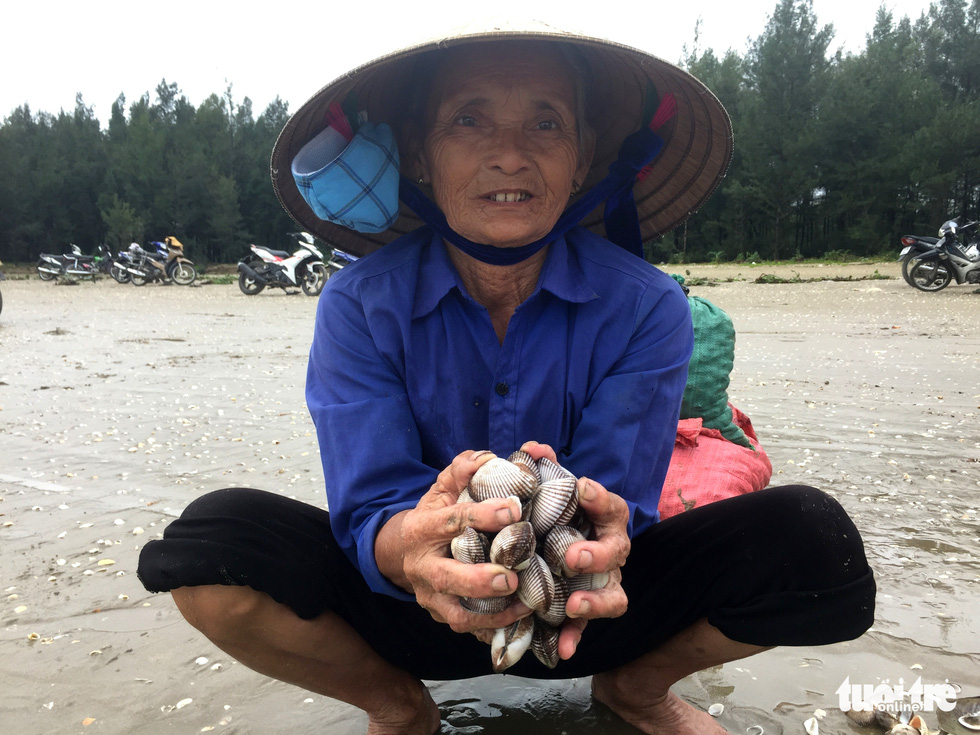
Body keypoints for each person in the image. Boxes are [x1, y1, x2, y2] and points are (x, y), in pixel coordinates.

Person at [138, 23, 876, 735]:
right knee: (206, 546)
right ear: (421, 156)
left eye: (547, 125)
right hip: (417, 606)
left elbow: (619, 505)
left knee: (816, 545)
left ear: (584, 157)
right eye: (469, 120)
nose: (511, 156)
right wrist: (420, 546)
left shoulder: (649, 304)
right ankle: (397, 705)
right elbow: (369, 506)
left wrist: (595, 539)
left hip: (591, 615)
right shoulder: (359, 304)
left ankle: (636, 686)